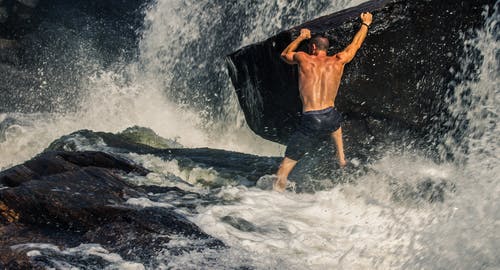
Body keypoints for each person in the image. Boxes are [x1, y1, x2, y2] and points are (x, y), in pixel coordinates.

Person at [273, 12, 373, 192]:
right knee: (335, 122)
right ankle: (341, 158)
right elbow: (355, 45)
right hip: (331, 116)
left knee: (284, 169)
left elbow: (284, 54)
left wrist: (301, 37)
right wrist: (365, 24)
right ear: (326, 48)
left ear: (312, 47)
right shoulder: (339, 60)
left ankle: (274, 197)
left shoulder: (304, 58)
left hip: (311, 119)